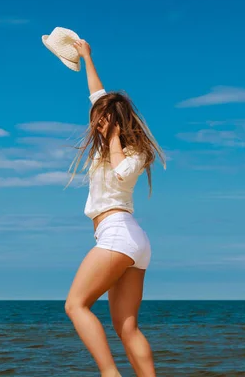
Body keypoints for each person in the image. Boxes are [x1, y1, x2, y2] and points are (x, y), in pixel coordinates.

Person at [64, 39, 166, 377]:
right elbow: (97, 93)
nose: (96, 124)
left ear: (115, 121)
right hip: (132, 240)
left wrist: (113, 140)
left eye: (103, 120)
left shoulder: (135, 153)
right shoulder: (111, 141)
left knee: (75, 305)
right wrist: (86, 56)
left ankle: (110, 374)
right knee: (127, 328)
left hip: (118, 235)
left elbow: (122, 175)